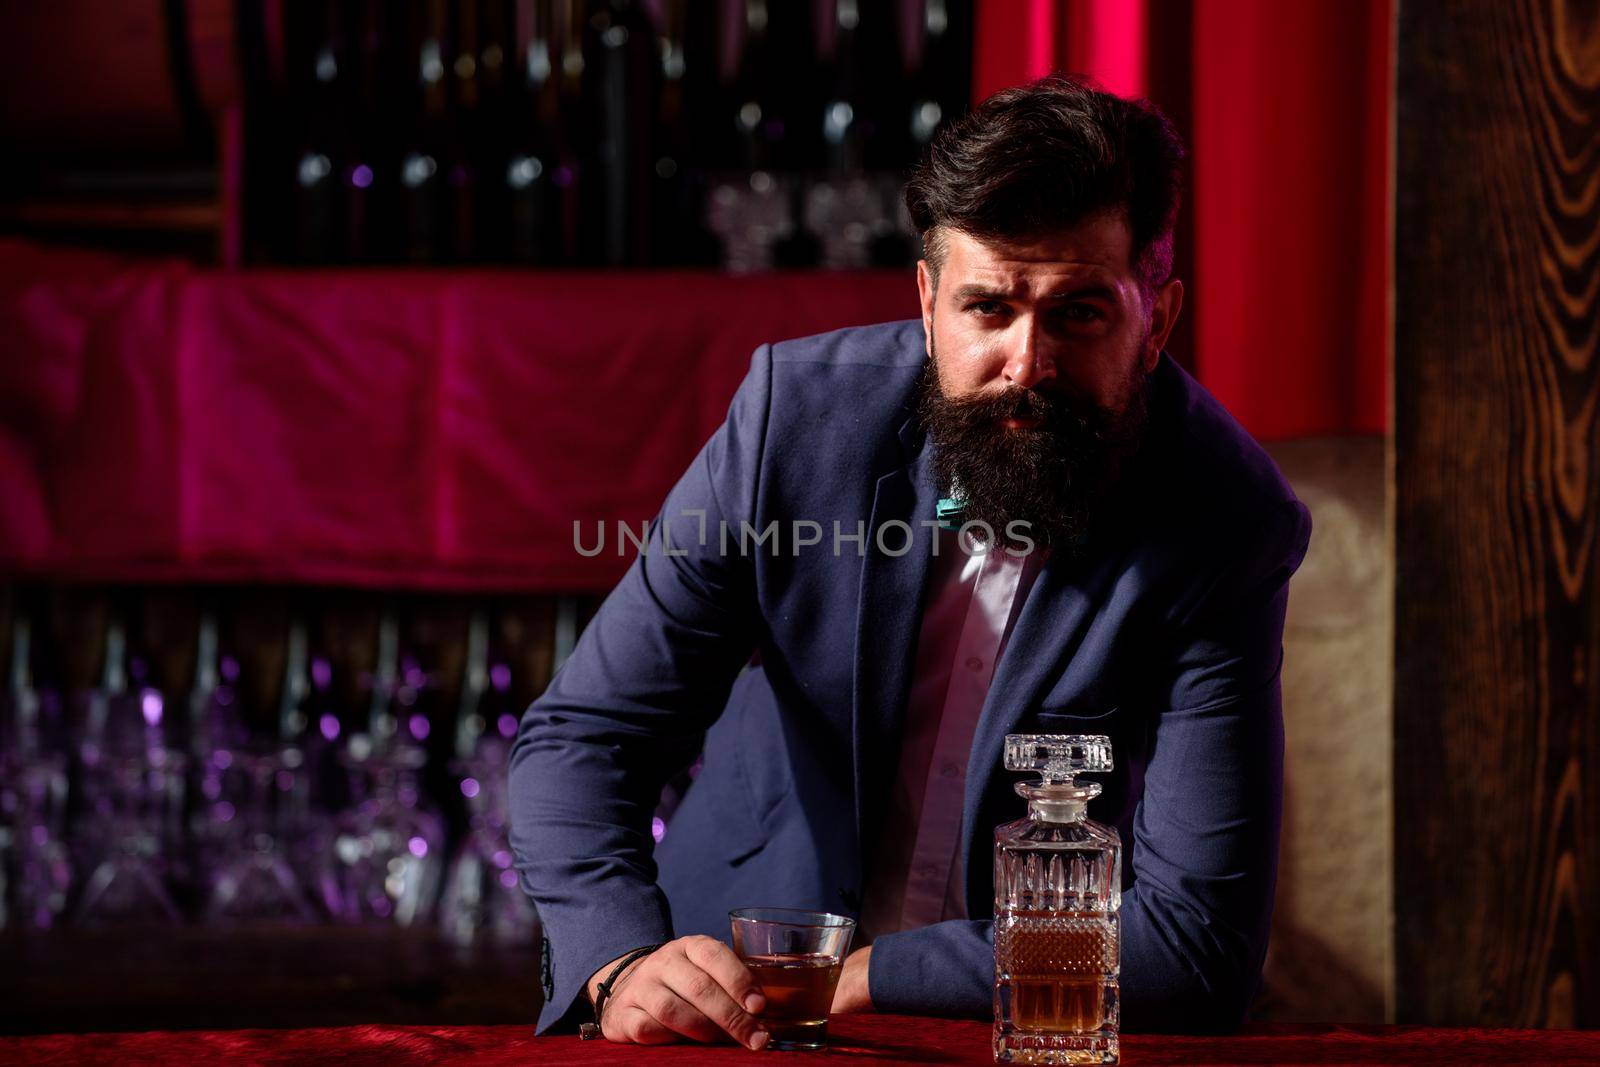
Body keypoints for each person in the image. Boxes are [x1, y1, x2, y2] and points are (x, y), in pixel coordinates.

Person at [509, 74, 1311, 1048]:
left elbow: (1193, 949)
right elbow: (583, 739)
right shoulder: (792, 422)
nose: (1028, 362)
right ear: (929, 303)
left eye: (1080, 313)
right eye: (988, 308)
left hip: (1006, 1035)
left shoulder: (1227, 519)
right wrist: (622, 960)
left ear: (1157, 320)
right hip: (729, 1022)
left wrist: (870, 974)